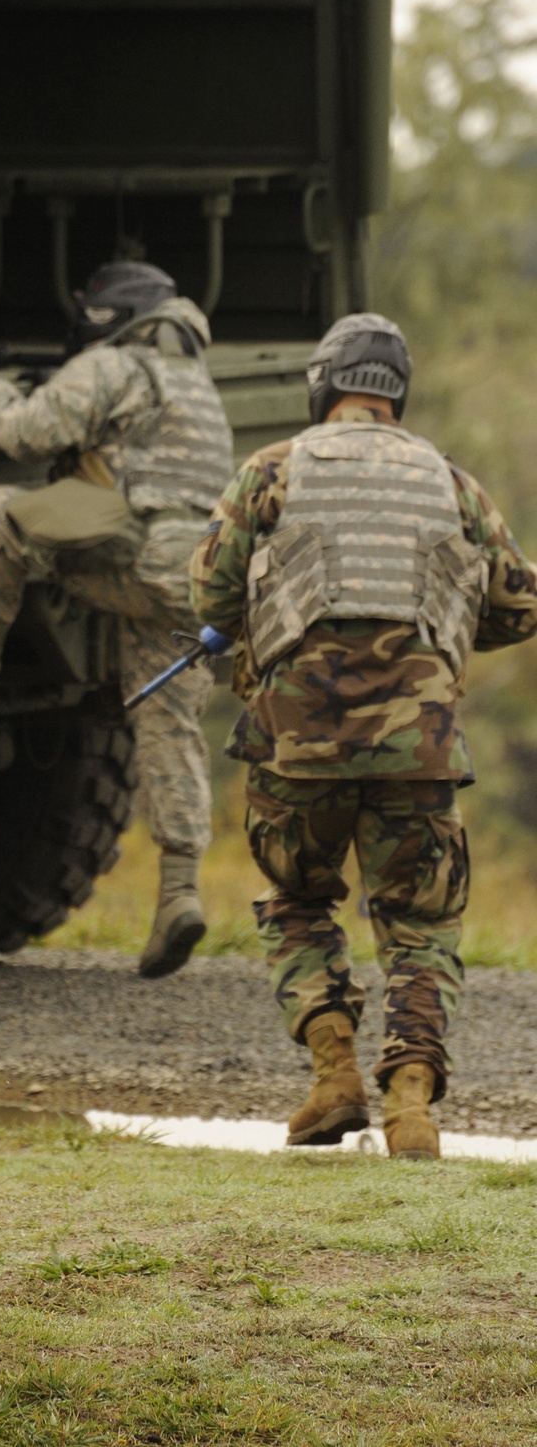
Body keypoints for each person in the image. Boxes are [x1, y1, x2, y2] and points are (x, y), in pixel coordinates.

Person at [189, 312, 537, 1158]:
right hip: (421, 742)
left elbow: (208, 594)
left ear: (324, 384)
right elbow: (519, 600)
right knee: (420, 924)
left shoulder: (272, 470)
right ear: (397, 393)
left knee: (298, 900)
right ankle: (411, 1104)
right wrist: (440, 638)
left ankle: (333, 1074)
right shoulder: (451, 482)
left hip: (295, 739)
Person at [0, 261, 234, 979]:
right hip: (189, 580)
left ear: (112, 318)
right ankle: (178, 891)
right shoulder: (198, 385)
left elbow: (27, 433)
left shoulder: (117, 364)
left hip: (133, 550)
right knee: (168, 722)